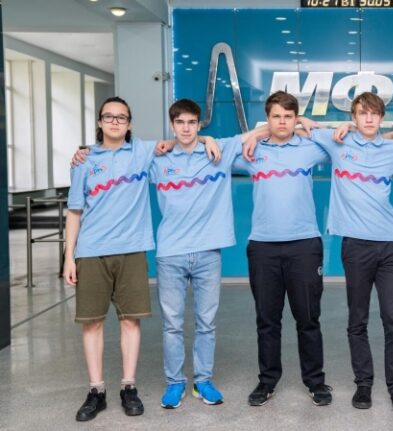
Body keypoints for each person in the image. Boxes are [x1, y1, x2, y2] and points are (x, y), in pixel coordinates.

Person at [308, 92, 393, 416]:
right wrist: (343, 127)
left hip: (389, 244)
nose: (368, 119)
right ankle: (363, 384)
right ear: (353, 117)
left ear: (381, 117)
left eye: (373, 114)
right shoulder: (338, 142)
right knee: (358, 319)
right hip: (355, 245)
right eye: (361, 114)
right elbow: (301, 124)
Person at [151, 99, 254, 409]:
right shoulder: (158, 157)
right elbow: (121, 152)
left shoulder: (217, 151)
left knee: (206, 322)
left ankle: (203, 381)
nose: (186, 128)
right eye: (180, 122)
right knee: (172, 324)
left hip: (208, 252)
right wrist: (83, 152)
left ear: (199, 124)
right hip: (171, 253)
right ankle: (175, 383)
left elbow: (257, 134)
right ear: (172, 125)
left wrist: (209, 139)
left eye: (192, 122)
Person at [64, 97, 155, 421]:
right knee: (92, 322)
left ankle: (128, 386)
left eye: (121, 117)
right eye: (109, 116)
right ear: (100, 122)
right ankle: (96, 391)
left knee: (131, 320)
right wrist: (69, 257)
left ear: (129, 124)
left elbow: (179, 142)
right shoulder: (83, 161)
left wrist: (209, 139)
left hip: (132, 249)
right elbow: (74, 211)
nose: (115, 122)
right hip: (91, 251)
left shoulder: (142, 152)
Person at [240, 91, 333, 407]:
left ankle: (315, 381)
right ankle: (267, 381)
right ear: (267, 119)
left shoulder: (309, 148)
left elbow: (337, 140)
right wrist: (255, 134)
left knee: (308, 318)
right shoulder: (252, 151)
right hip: (263, 247)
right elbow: (223, 148)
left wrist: (308, 123)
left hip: (304, 245)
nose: (282, 122)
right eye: (276, 116)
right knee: (267, 320)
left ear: (295, 119)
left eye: (288, 116)